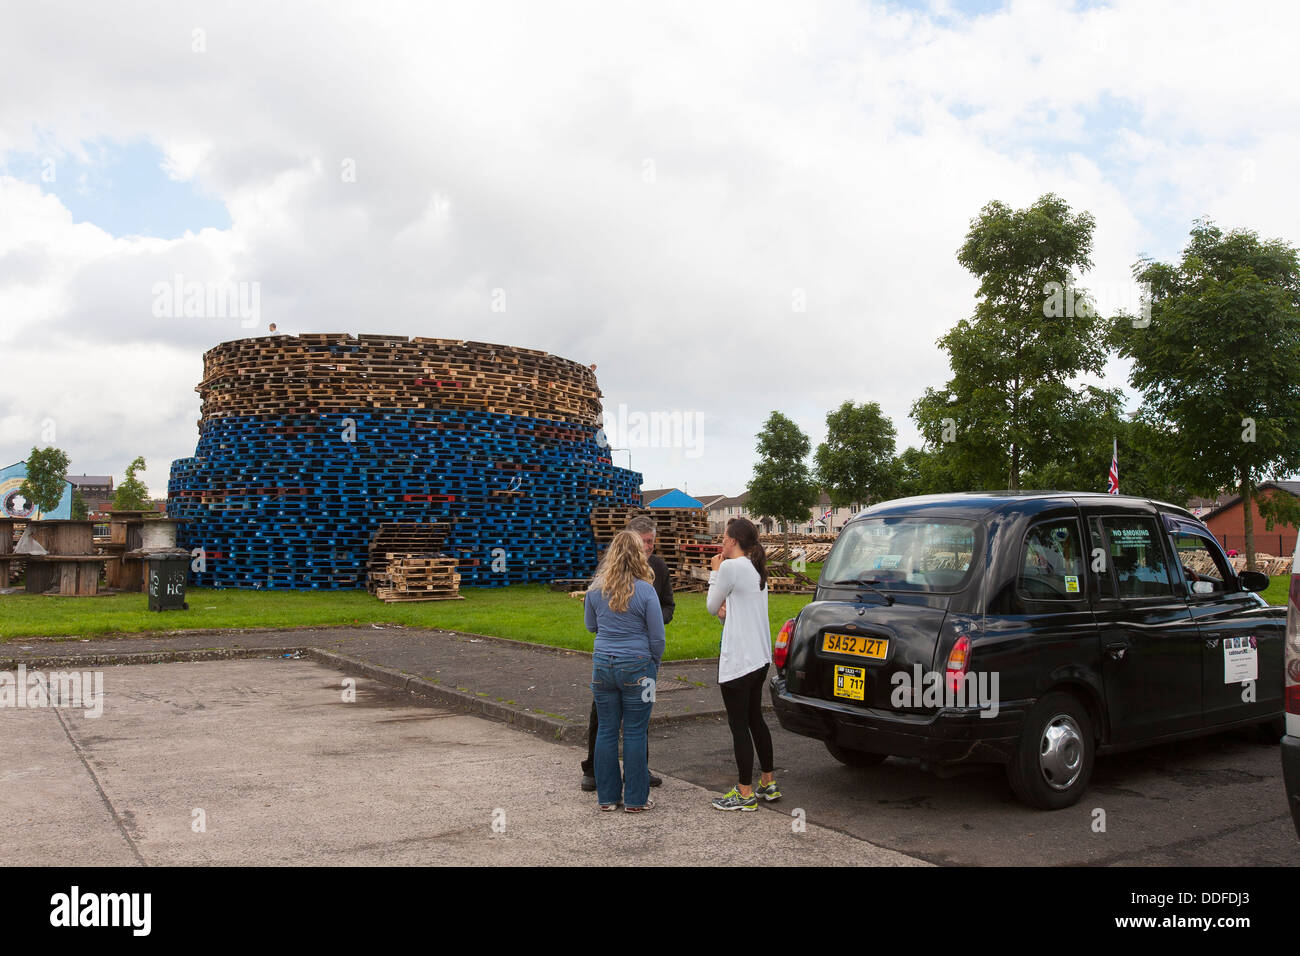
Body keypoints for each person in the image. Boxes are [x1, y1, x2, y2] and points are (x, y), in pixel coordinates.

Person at [580, 516, 674, 791]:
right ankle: (596, 771)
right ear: (631, 543)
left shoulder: (657, 568)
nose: (649, 548)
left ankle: (633, 774)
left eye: (651, 542)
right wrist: (653, 661)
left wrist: (654, 617)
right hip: (636, 661)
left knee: (637, 722)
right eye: (644, 542)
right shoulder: (608, 575)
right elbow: (657, 638)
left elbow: (667, 606)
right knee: (604, 720)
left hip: (613, 660)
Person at [706, 516, 779, 811]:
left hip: (739, 661)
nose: (721, 540)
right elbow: (732, 613)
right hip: (760, 658)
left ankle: (744, 792)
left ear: (733, 540)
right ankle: (768, 782)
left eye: (724, 536)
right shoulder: (753, 567)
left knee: (739, 726)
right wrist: (726, 614)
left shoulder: (730, 567)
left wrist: (714, 572)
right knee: (755, 719)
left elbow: (712, 606)